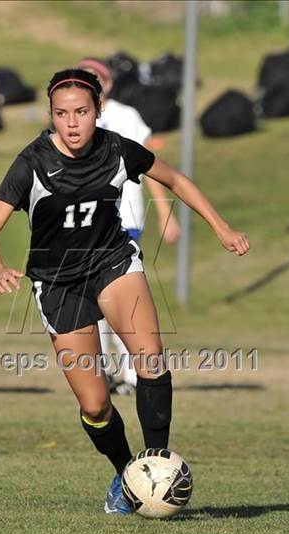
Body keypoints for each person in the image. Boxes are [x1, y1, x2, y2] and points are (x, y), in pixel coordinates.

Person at [0, 68, 249, 515]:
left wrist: (221, 228)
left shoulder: (117, 150)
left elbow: (176, 180)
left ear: (98, 111)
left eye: (81, 112)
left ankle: (156, 464)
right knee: (96, 404)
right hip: (59, 284)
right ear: (51, 116)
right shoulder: (33, 162)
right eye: (61, 114)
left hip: (113, 263)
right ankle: (128, 476)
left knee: (151, 359)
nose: (72, 122)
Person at [77, 56, 180, 395]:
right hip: (85, 223)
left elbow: (152, 167)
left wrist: (165, 213)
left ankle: (136, 375)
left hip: (125, 221)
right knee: (96, 305)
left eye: (95, 77)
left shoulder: (126, 117)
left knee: (127, 302)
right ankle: (107, 373)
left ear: (107, 83)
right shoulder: (73, 122)